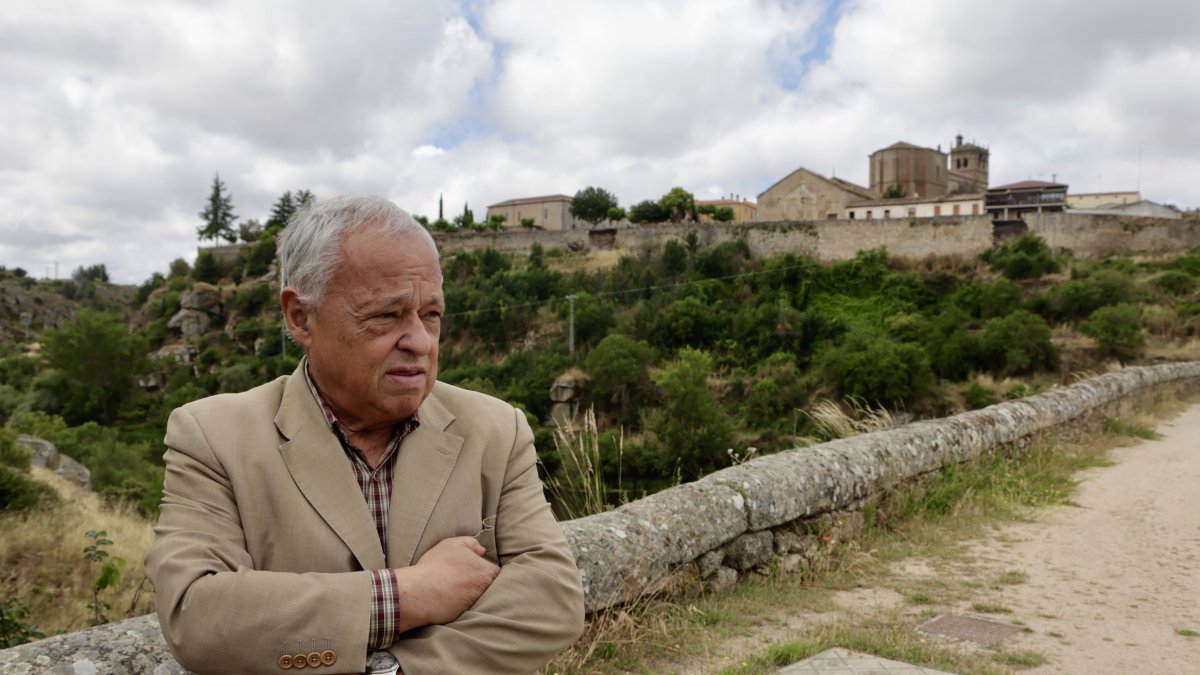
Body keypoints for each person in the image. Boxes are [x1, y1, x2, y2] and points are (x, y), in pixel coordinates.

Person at [145, 195, 585, 674]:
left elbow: (553, 594)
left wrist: (393, 670)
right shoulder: (212, 436)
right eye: (386, 315)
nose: (420, 340)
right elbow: (198, 614)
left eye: (431, 314)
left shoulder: (496, 429)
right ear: (300, 317)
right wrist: (404, 595)